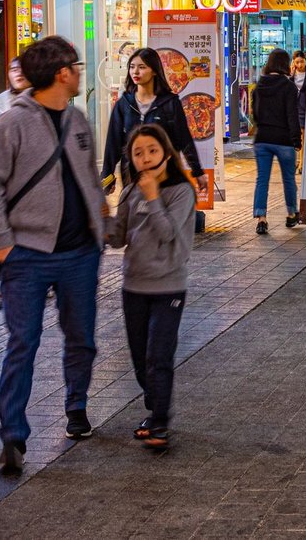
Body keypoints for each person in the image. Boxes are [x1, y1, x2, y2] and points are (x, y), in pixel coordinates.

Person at [0, 36, 106, 476]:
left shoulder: (80, 119)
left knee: (82, 338)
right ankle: (12, 435)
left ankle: (76, 408)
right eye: (75, 65)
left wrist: (99, 228)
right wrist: (3, 241)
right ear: (60, 73)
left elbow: (89, 177)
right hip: (27, 254)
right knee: (22, 343)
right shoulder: (10, 124)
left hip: (79, 254)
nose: (79, 71)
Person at [105, 124, 196, 452]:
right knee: (141, 358)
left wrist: (154, 196)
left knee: (159, 355)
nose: (145, 159)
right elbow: (118, 239)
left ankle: (160, 418)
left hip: (168, 287)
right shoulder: (130, 192)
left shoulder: (181, 192)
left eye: (152, 151)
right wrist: (106, 219)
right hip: (134, 286)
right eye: (138, 153)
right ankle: (154, 408)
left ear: (167, 154)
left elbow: (167, 232)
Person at [100, 48, 204, 196]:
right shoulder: (124, 104)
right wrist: (106, 176)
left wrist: (197, 171)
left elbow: (183, 139)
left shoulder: (170, 103)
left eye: (142, 67)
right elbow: (113, 144)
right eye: (132, 67)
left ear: (154, 71)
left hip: (165, 177)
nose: (135, 72)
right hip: (132, 177)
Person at [252, 49, 302, 234]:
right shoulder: (288, 86)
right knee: (288, 178)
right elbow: (292, 115)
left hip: (262, 138)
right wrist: (297, 139)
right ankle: (291, 214)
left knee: (262, 179)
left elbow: (255, 113)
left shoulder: (259, 85)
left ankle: (262, 218)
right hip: (284, 139)